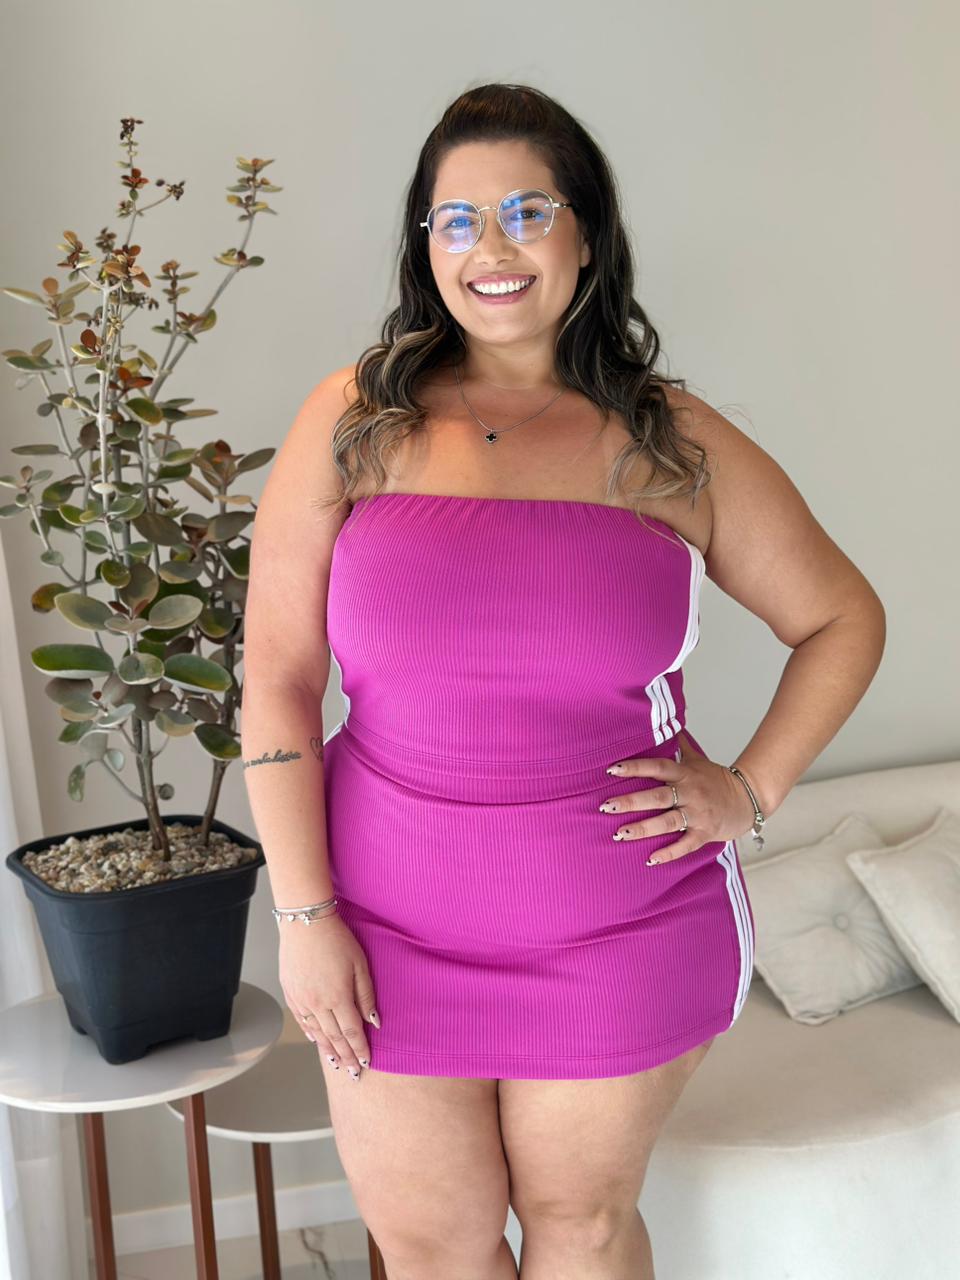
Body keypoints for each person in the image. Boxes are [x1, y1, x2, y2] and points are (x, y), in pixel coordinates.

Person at [241, 83, 885, 1280]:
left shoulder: (672, 441)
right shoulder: (353, 421)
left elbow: (843, 618)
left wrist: (749, 789)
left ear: (586, 232)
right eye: (457, 219)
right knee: (433, 1247)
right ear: (424, 244)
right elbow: (276, 677)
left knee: (579, 1223)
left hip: (618, 919)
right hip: (380, 920)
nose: (491, 246)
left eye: (528, 210)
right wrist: (304, 915)